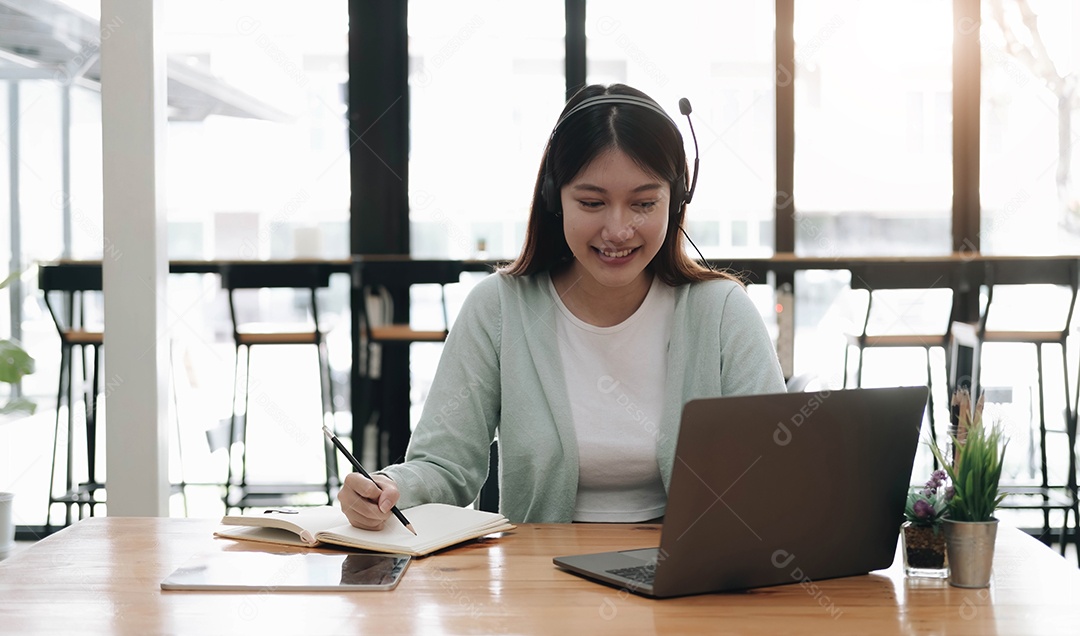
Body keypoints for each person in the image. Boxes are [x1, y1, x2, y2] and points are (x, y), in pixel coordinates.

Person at [338, 83, 785, 528]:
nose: (618, 229)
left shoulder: (722, 312)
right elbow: (443, 466)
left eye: (644, 203)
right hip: (541, 582)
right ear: (555, 198)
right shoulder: (499, 309)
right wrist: (386, 488)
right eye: (592, 202)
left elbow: (777, 470)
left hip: (689, 581)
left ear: (677, 199)